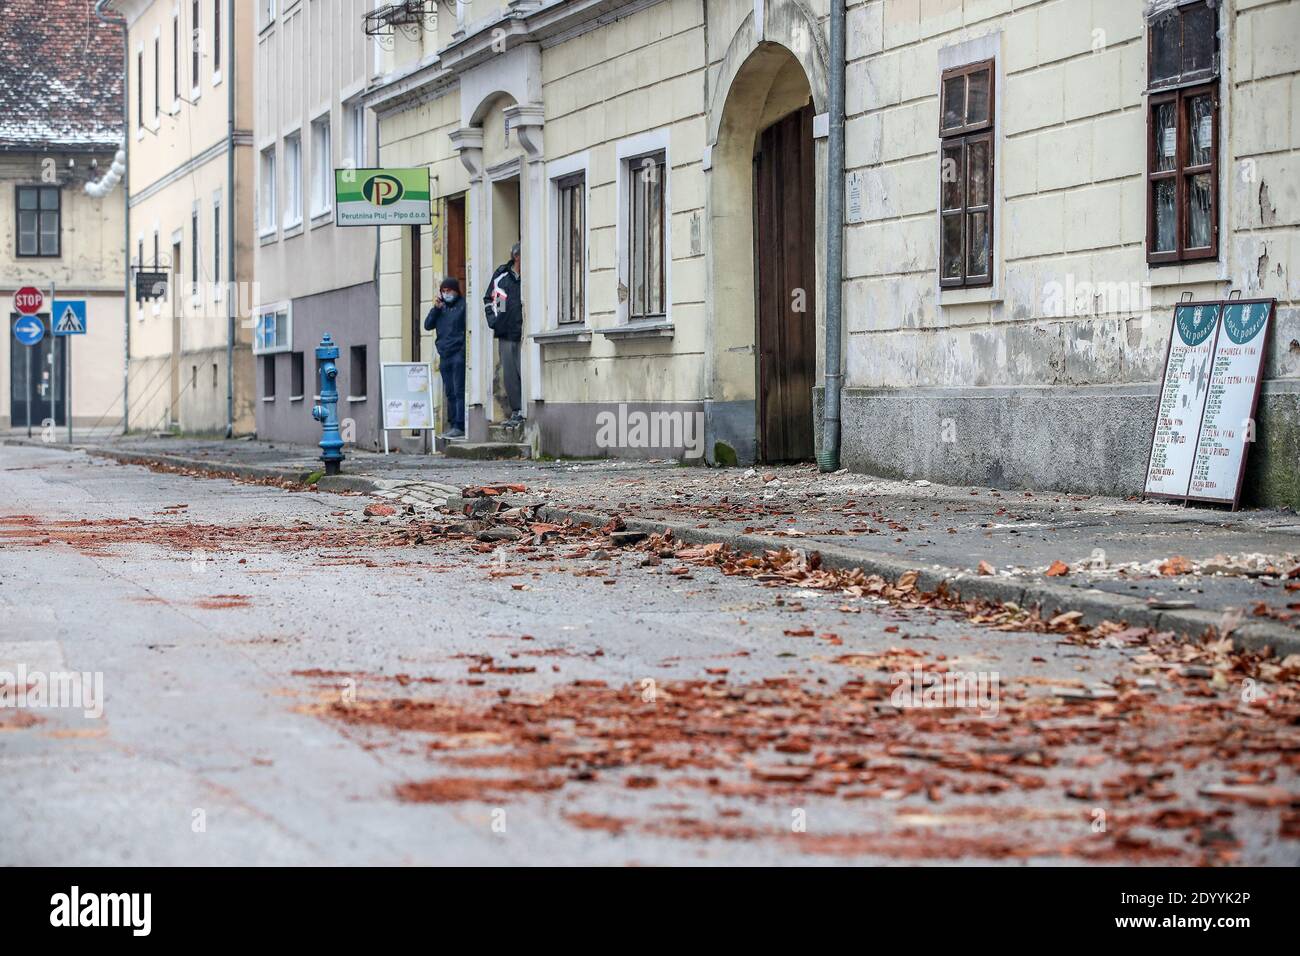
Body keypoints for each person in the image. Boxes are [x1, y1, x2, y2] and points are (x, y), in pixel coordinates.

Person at [484, 241, 524, 425]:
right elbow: (492, 300)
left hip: (524, 331)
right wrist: (495, 321)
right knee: (510, 374)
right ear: (516, 257)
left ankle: (524, 407)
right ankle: (516, 409)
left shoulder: (530, 275)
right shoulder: (502, 277)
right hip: (507, 331)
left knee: (523, 370)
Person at [425, 276, 466, 438]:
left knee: (458, 390)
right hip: (444, 354)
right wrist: (435, 309)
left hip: (457, 354)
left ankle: (459, 424)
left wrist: (462, 350)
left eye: (449, 291)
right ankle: (452, 422)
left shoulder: (463, 306)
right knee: (449, 391)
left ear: (456, 291)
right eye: (443, 291)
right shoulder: (440, 309)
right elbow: (427, 325)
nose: (446, 293)